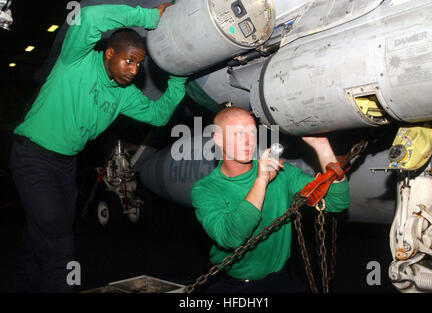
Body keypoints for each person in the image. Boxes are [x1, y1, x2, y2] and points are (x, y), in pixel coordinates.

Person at [9, 2, 186, 292]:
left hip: (65, 165)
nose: (134, 70)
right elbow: (90, 15)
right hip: (33, 156)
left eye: (139, 64)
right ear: (109, 53)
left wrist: (178, 79)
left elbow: (158, 115)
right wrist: (149, 16)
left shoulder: (124, 94)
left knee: (38, 235)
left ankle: (21, 285)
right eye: (129, 60)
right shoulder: (76, 58)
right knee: (60, 240)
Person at [190, 107, 350, 293]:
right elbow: (231, 237)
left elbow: (337, 203)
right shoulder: (205, 189)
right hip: (231, 283)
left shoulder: (282, 174)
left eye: (252, 132)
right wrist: (261, 181)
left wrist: (321, 146)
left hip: (277, 279)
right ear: (218, 138)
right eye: (239, 133)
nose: (249, 141)